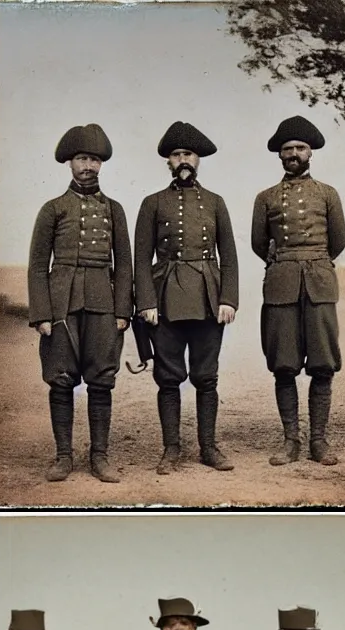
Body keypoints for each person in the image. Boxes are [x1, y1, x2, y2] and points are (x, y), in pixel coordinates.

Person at [27, 124, 133, 483]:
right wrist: (42, 313)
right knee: (60, 380)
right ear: (69, 164)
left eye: (93, 159)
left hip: (103, 301)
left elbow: (125, 263)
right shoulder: (53, 209)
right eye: (81, 159)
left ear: (101, 164)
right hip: (61, 303)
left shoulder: (114, 210)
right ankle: (62, 456)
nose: (87, 165)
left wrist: (122, 311)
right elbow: (39, 264)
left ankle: (100, 457)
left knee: (102, 380)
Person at [133, 121, 239, 474]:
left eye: (188, 154)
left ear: (198, 159)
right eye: (177, 154)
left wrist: (229, 300)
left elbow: (230, 255)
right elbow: (140, 258)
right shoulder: (152, 203)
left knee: (206, 377)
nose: (183, 160)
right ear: (168, 160)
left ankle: (209, 447)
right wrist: (146, 302)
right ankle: (171, 449)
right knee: (168, 376)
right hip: (165, 301)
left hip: (209, 299)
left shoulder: (215, 202)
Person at [251, 116, 345, 466]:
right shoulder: (266, 198)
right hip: (281, 286)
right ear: (279, 154)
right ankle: (291, 440)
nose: (293, 153)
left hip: (320, 283)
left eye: (300, 148)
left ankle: (319, 442)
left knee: (323, 364)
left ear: (310, 153)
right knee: (284, 365)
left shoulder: (327, 194)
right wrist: (288, 265)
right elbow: (258, 243)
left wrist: (311, 262)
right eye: (287, 148)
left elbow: (337, 241)